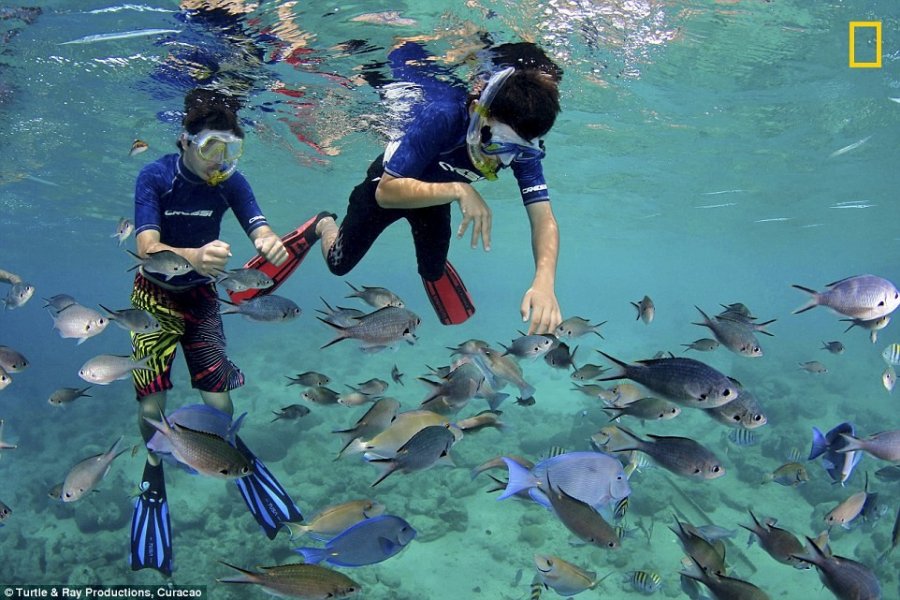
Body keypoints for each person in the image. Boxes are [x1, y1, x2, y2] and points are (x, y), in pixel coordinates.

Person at [128, 88, 303, 577]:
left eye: (231, 149)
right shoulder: (155, 176)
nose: (221, 160)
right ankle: (154, 469)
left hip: (202, 296)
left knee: (219, 399)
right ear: (185, 140)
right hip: (154, 299)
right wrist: (193, 257)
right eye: (211, 147)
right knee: (151, 404)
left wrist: (269, 242)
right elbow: (146, 247)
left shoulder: (231, 181)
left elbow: (257, 225)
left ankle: (226, 456)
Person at [314, 42, 564, 333]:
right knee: (338, 265)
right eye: (498, 145)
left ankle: (432, 264)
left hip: (435, 197)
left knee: (433, 271)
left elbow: (543, 218)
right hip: (391, 186)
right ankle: (323, 223)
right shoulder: (444, 114)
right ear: (478, 111)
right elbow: (385, 193)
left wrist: (544, 280)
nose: (504, 160)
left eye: (519, 151)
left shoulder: (521, 148)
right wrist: (460, 190)